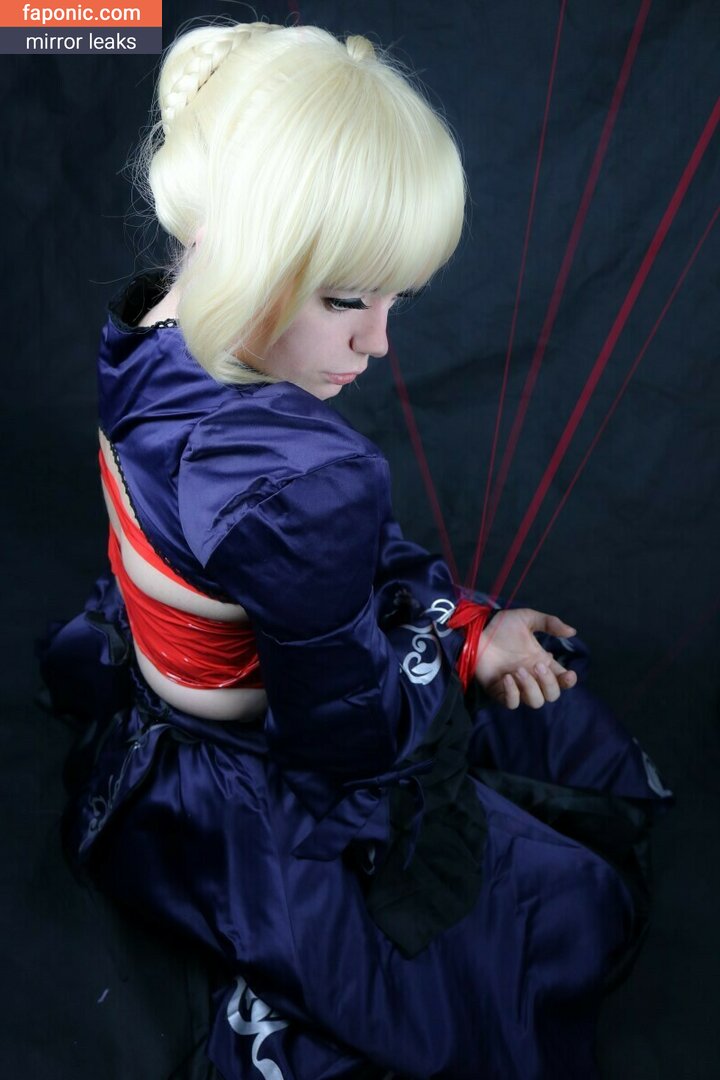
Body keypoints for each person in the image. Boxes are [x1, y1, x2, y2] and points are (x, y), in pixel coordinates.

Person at [41, 18, 672, 1080]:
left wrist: (460, 626)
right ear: (242, 254)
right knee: (559, 913)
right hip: (244, 787)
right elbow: (352, 735)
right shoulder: (306, 480)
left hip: (185, 709)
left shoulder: (150, 327)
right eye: (346, 301)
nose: (378, 342)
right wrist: (455, 646)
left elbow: (304, 571)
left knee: (552, 716)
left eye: (392, 300)